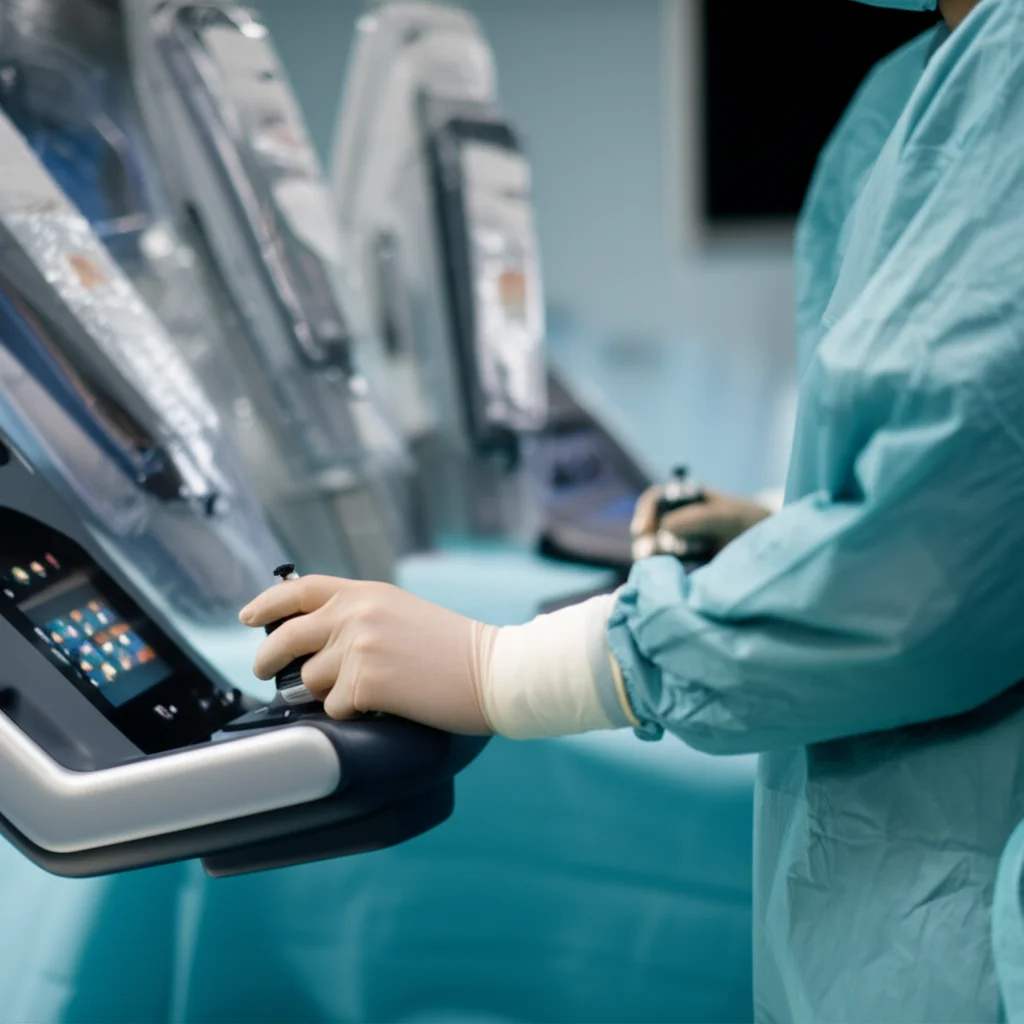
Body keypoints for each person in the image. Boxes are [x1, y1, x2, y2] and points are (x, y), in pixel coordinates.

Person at [240, 0, 1024, 1018]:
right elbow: (967, 477)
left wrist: (500, 669)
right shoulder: (922, 89)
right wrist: (795, 525)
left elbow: (926, 560)